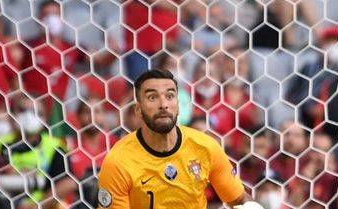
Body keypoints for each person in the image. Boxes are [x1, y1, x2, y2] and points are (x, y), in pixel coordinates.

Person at [97, 69, 262, 209]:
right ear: (138, 110)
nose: (163, 104)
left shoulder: (206, 147)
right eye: (152, 97)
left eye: (169, 96)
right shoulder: (118, 162)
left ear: (178, 105)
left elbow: (240, 199)